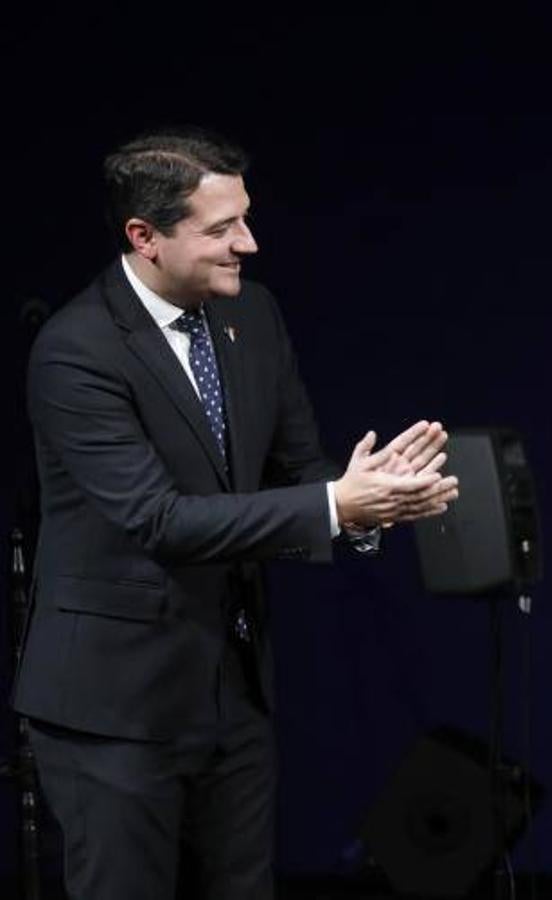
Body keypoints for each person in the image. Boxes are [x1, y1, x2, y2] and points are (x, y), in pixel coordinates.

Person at [15, 127, 459, 900]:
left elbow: (296, 471)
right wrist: (331, 505)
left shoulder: (252, 318)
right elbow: (159, 521)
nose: (247, 243)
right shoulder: (76, 350)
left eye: (244, 219)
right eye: (221, 229)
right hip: (113, 709)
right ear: (144, 237)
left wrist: (367, 500)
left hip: (234, 695)